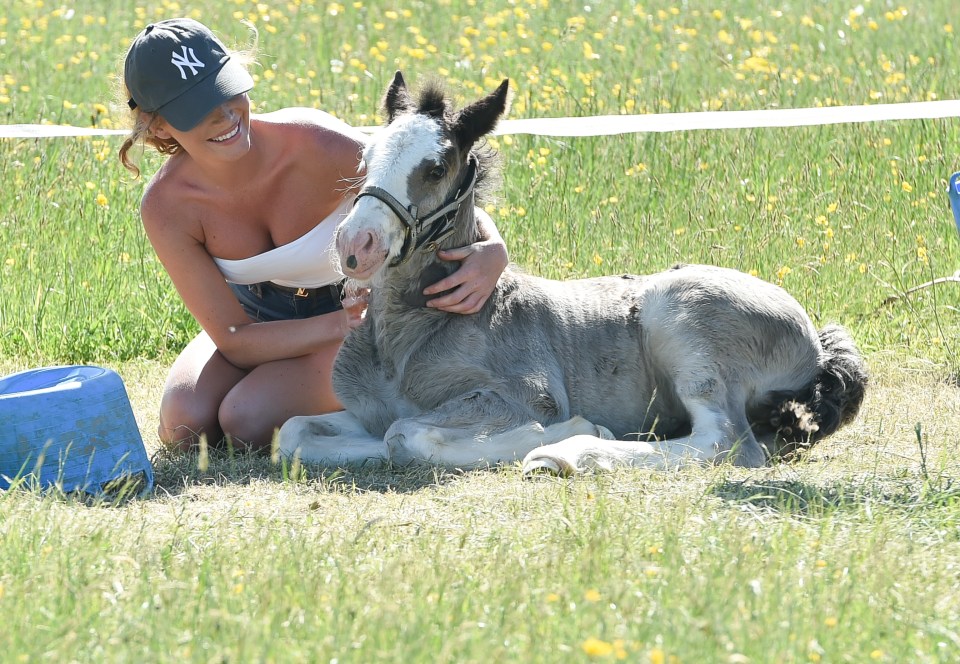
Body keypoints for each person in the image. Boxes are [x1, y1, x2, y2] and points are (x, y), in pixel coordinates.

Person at [118, 18, 509, 453]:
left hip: (363, 316)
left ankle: (382, 400)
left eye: (228, 90)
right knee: (184, 427)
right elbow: (234, 336)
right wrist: (334, 324)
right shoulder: (166, 206)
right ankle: (360, 403)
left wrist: (492, 247)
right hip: (259, 323)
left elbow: (431, 187)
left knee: (245, 420)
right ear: (157, 128)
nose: (226, 114)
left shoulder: (317, 144)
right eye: (197, 108)